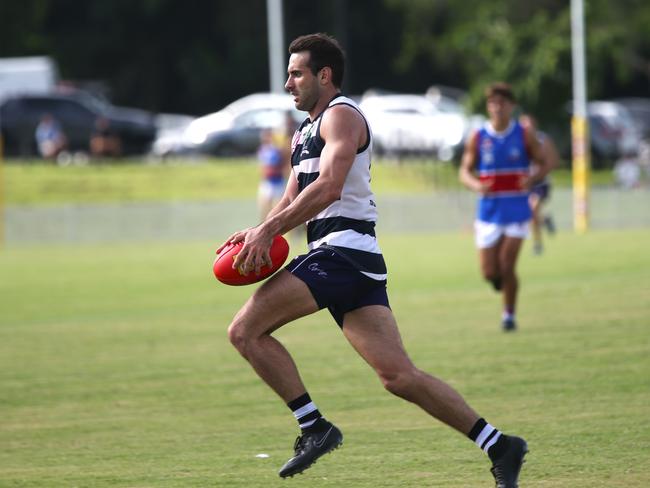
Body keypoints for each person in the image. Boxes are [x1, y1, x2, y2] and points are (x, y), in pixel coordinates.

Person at [219, 34, 528, 487]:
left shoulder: (341, 116)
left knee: (244, 331)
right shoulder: (305, 129)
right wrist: (257, 230)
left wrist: (269, 231)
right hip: (348, 259)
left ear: (324, 75)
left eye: (296, 73)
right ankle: (501, 445)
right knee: (399, 376)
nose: (288, 82)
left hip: (341, 251)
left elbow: (329, 187)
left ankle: (313, 427)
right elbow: (292, 195)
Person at [459, 83, 551, 331]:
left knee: (508, 265)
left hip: (517, 210)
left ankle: (508, 315)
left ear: (511, 106)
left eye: (502, 103)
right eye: (493, 103)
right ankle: (499, 281)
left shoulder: (523, 134)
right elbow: (464, 171)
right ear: (488, 107)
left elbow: (545, 162)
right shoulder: (478, 136)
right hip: (489, 212)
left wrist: (532, 179)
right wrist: (476, 185)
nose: (497, 108)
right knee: (490, 272)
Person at [519, 115, 558, 255]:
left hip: (540, 182)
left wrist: (536, 176)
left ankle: (537, 244)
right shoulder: (518, 141)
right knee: (530, 214)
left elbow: (553, 162)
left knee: (533, 206)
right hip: (525, 184)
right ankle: (545, 220)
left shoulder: (542, 139)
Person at [257, 127, 288, 220]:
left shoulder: (278, 150)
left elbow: (285, 163)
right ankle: (263, 229)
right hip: (267, 182)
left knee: (278, 210)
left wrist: (279, 171)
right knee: (264, 208)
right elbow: (262, 166)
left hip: (278, 182)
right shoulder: (262, 150)